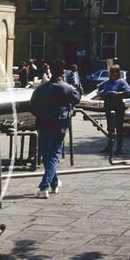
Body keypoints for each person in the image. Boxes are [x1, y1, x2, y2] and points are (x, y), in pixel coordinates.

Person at [29, 59, 81, 199]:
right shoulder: (66, 88)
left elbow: (32, 107)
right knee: (52, 155)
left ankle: (51, 184)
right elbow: (77, 98)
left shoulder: (41, 88)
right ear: (63, 72)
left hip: (43, 123)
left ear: (50, 70)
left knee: (47, 155)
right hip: (59, 124)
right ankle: (48, 185)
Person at [97, 64, 130, 154]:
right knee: (110, 128)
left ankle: (119, 149)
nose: (113, 73)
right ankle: (109, 146)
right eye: (111, 71)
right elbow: (99, 87)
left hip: (118, 107)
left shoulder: (121, 81)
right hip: (108, 106)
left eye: (114, 71)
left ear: (118, 72)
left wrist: (117, 93)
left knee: (119, 128)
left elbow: (129, 91)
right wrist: (100, 93)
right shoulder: (107, 82)